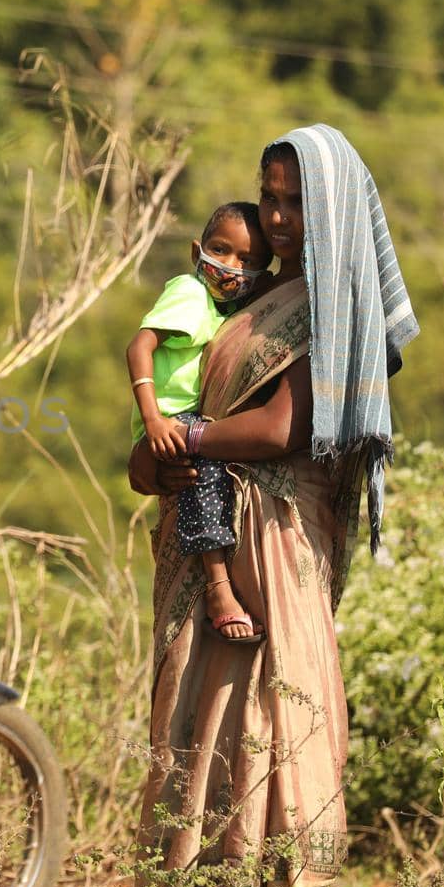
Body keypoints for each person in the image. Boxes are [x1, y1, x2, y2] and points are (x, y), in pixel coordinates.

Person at [127, 125, 418, 887]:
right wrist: (153, 456)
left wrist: (186, 438)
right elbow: (179, 422)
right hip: (205, 531)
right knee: (197, 722)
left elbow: (283, 428)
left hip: (279, 545)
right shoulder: (236, 302)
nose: (281, 218)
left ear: (333, 211)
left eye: (298, 202)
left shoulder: (334, 315)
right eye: (271, 198)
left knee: (273, 716)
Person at [125, 202, 271, 644]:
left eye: (246, 261)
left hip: (182, 418)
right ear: (196, 251)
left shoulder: (219, 308)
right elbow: (139, 345)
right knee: (204, 472)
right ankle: (218, 588)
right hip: (171, 419)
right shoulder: (189, 295)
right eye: (220, 250)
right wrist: (153, 418)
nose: (229, 266)